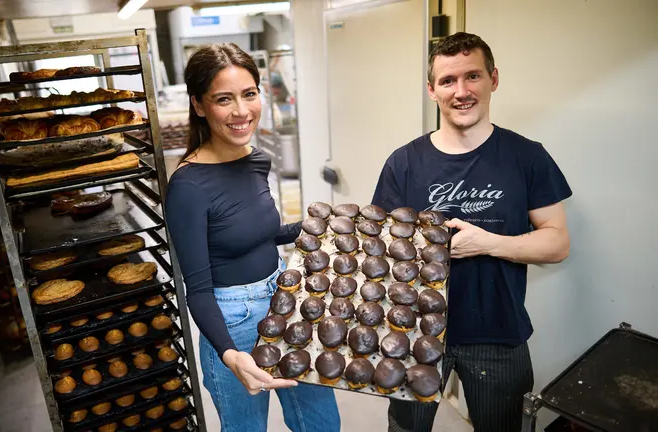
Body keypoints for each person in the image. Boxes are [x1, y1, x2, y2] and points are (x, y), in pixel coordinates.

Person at [371, 32, 572, 432]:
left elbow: (558, 242)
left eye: (472, 77)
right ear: (432, 90)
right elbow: (380, 248)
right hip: (414, 332)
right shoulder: (404, 163)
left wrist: (488, 243)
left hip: (499, 332)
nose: (461, 91)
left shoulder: (527, 156)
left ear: (493, 79)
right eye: (447, 81)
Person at [164, 43, 341, 432]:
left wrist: (314, 224)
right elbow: (197, 286)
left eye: (249, 94)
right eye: (223, 99)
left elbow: (253, 234)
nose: (242, 111)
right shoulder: (189, 187)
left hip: (284, 300)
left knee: (322, 424)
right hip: (231, 318)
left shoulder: (255, 159)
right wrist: (228, 353)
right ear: (199, 106)